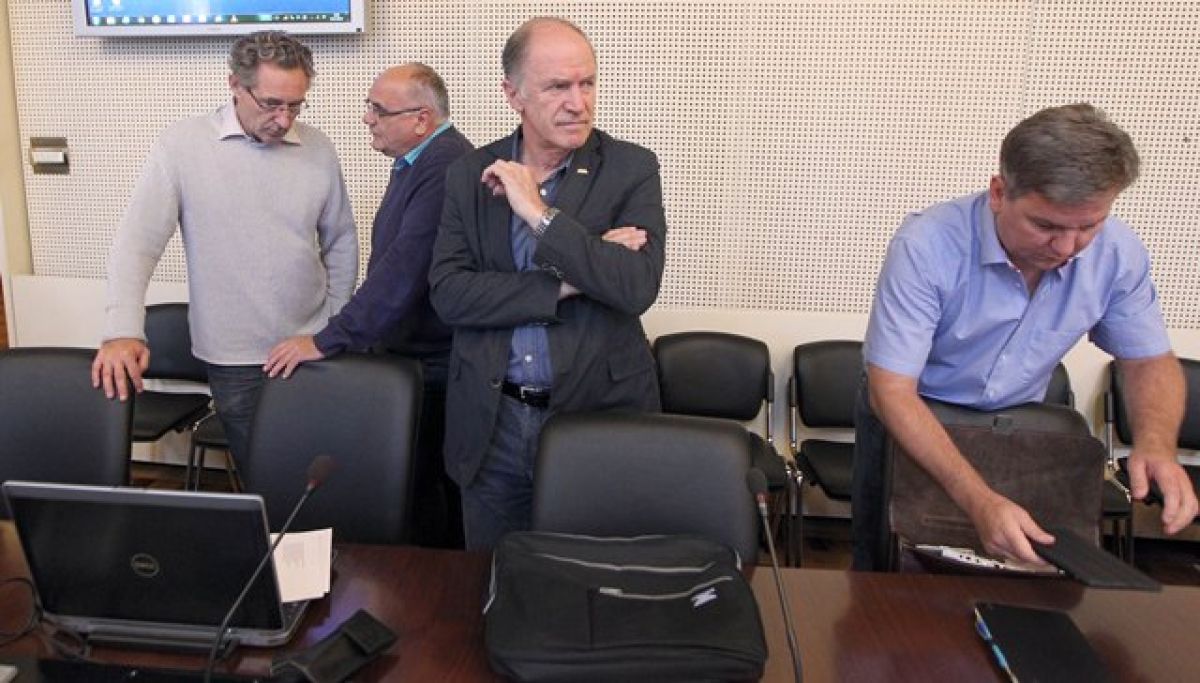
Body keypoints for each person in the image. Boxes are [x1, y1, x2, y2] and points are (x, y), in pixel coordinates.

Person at [854, 103, 1199, 571]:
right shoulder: (927, 245)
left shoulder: (1118, 254)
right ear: (999, 193)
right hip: (915, 415)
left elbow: (1148, 360)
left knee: (1017, 566)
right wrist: (978, 500)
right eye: (1046, 225)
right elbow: (892, 392)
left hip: (1017, 424)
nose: (1067, 247)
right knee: (890, 567)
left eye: (1088, 226)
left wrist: (1156, 443)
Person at [429, 16, 667, 550]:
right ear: (512, 94)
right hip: (493, 424)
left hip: (596, 418)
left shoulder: (630, 169)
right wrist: (569, 281)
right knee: (494, 576)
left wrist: (539, 214)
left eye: (587, 83)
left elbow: (634, 286)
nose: (578, 103)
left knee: (593, 577)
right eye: (558, 86)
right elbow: (449, 294)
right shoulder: (469, 174)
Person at [91, 31, 358, 470]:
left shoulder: (318, 148)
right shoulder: (182, 146)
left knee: (321, 474)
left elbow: (341, 240)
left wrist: (334, 323)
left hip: (311, 345)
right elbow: (136, 245)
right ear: (235, 84)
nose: (284, 119)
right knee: (264, 476)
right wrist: (122, 330)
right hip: (235, 358)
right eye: (271, 104)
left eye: (295, 105)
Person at [264, 63, 474, 547]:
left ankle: (427, 585)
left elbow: (404, 272)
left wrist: (328, 339)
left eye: (379, 109)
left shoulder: (444, 168)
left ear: (421, 119)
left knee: (426, 495)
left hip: (434, 367)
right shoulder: (422, 161)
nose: (367, 118)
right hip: (416, 358)